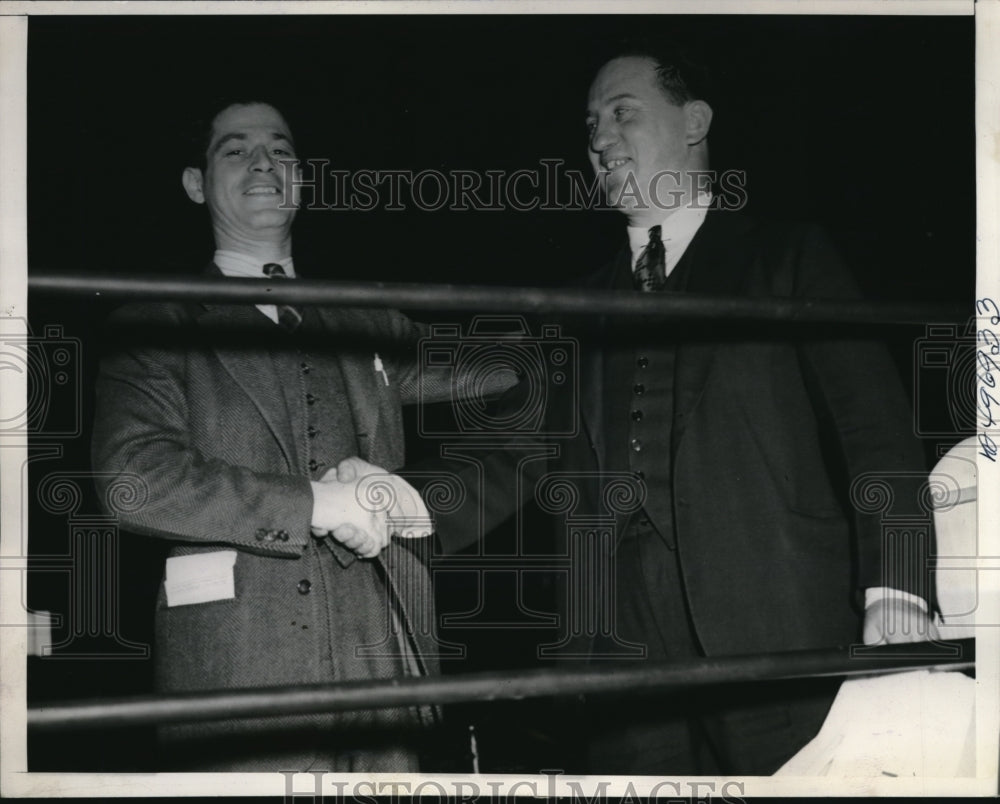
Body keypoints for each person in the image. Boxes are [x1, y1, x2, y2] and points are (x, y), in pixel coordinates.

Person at [392, 43, 939, 775]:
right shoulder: (573, 308)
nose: (598, 139)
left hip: (778, 634)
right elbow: (513, 460)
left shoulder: (788, 259)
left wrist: (896, 584)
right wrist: (384, 503)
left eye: (622, 113)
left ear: (695, 122)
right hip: (617, 662)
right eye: (589, 124)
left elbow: (876, 433)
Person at [91, 99, 510, 772]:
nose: (264, 163)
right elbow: (133, 482)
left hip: (387, 672)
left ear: (304, 178)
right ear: (197, 185)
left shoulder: (359, 316)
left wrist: (597, 317)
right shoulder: (154, 318)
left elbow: (495, 372)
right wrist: (316, 504)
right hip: (238, 683)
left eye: (281, 151)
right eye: (236, 149)